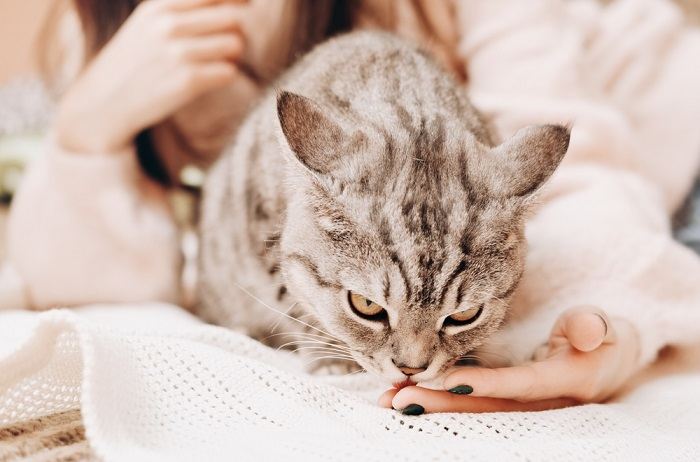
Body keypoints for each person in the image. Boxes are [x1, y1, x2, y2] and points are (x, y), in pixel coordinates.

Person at [5, 0, 700, 415]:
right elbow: (102, 284)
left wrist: (612, 321)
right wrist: (84, 129)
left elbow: (582, 167)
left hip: (676, 135)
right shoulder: (98, 24)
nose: (414, 360)